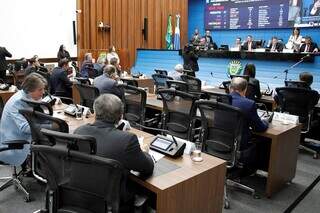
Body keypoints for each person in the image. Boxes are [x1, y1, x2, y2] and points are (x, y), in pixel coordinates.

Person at [74, 94, 154, 203]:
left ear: (95, 112)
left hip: (80, 193)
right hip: (112, 200)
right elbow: (147, 167)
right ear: (121, 116)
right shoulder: (127, 140)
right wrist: (145, 152)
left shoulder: (79, 131)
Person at [0, 73, 48, 165]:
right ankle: (40, 173)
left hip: (17, 139)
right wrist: (50, 126)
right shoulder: (17, 102)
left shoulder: (24, 96)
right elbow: (25, 128)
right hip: (12, 145)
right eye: (40, 90)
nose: (43, 92)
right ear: (30, 90)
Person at [229, 77, 268, 164]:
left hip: (221, 140)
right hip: (239, 142)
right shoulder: (249, 104)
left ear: (230, 87)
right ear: (245, 89)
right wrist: (266, 122)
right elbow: (259, 128)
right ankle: (251, 169)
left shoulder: (220, 99)